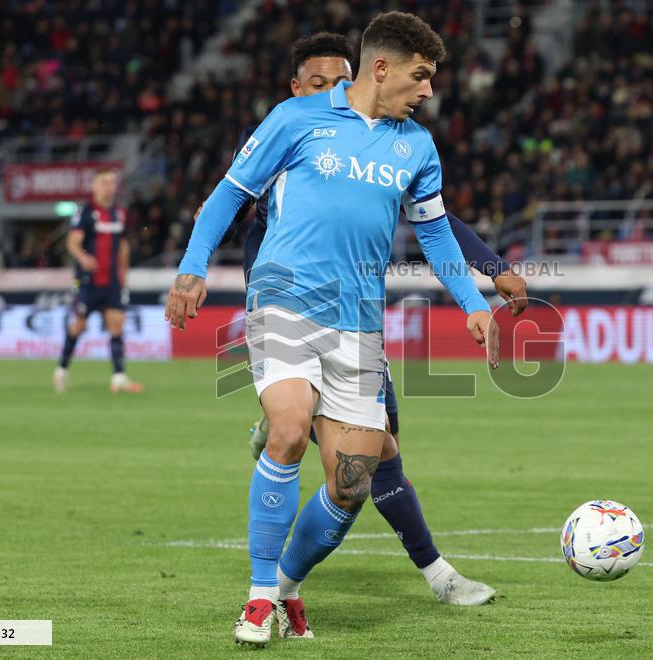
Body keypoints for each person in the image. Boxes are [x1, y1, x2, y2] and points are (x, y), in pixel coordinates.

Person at [166, 12, 501, 646]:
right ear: (382, 68)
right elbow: (229, 194)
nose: (428, 91)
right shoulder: (295, 120)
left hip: (359, 323)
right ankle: (260, 597)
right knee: (289, 431)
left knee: (350, 482)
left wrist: (471, 301)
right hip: (286, 298)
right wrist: (191, 268)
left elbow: (432, 231)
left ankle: (289, 586)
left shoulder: (417, 147)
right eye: (421, 76)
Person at [53, 168, 143, 393]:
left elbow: (123, 246)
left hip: (112, 280)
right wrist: (84, 258)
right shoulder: (85, 211)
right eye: (104, 182)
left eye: (112, 183)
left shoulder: (119, 213)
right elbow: (72, 242)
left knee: (117, 324)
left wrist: (124, 276)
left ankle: (119, 376)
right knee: (79, 326)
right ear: (95, 186)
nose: (109, 187)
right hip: (88, 281)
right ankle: (62, 369)